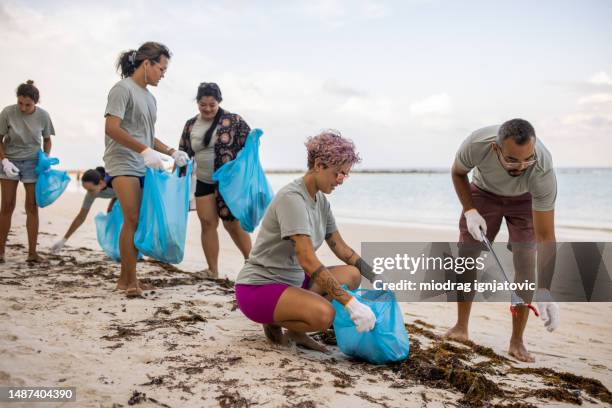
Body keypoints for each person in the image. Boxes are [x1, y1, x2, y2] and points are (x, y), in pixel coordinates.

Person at [235, 130, 377, 352]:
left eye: (346, 175)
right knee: (324, 315)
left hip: (293, 281)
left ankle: (296, 331)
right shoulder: (293, 199)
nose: (341, 180)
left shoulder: (320, 199)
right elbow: (308, 260)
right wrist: (351, 304)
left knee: (353, 274)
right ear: (319, 165)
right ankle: (273, 322)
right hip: (260, 287)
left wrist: (376, 276)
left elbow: (340, 248)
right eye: (339, 173)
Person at [447, 118, 560, 362]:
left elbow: (546, 236)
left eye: (526, 159)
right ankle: (461, 327)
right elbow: (458, 173)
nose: (520, 167)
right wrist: (469, 210)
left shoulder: (542, 168)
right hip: (483, 193)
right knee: (467, 255)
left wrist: (545, 290)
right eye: (512, 159)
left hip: (524, 200)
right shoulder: (477, 143)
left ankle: (517, 341)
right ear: (496, 149)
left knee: (526, 260)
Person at [104, 42, 189, 297]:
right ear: (146, 64)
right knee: (131, 220)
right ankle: (131, 283)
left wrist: (172, 152)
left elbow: (147, 136)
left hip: (144, 164)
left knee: (137, 221)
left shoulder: (150, 98)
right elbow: (112, 128)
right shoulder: (122, 89)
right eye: (161, 69)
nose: (163, 74)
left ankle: (126, 279)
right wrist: (142, 150)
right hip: (122, 161)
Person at [178, 82, 252, 278]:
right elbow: (184, 151)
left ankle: (253, 266)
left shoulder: (233, 120)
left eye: (212, 104)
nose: (208, 109)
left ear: (219, 102)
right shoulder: (191, 124)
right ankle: (212, 270)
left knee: (232, 224)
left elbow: (250, 145)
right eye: (203, 105)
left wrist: (244, 173)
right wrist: (178, 177)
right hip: (203, 180)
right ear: (197, 103)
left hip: (228, 182)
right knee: (207, 223)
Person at [0, 80, 55, 263]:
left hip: (33, 162)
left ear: (35, 103)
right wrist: (4, 160)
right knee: (7, 206)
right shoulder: (7, 112)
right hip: (9, 161)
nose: (23, 108)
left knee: (32, 207)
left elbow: (47, 140)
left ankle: (32, 253)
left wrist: (45, 158)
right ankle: (0, 253)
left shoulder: (43, 116)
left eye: (27, 104)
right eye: (20, 103)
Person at [50, 167, 117, 253]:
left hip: (135, 193)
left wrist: (112, 203)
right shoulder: (91, 193)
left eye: (90, 189)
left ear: (101, 183)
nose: (89, 192)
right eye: (86, 189)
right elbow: (81, 217)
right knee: (111, 216)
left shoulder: (114, 182)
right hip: (118, 196)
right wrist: (63, 240)